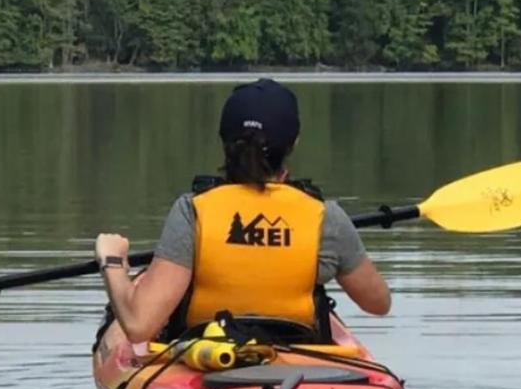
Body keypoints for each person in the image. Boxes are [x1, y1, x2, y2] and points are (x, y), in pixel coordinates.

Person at [95, 78, 391, 345]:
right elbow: (379, 303)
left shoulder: (192, 211)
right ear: (294, 143)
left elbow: (138, 326)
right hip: (300, 365)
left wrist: (113, 261)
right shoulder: (326, 218)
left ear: (224, 140)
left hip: (209, 360)